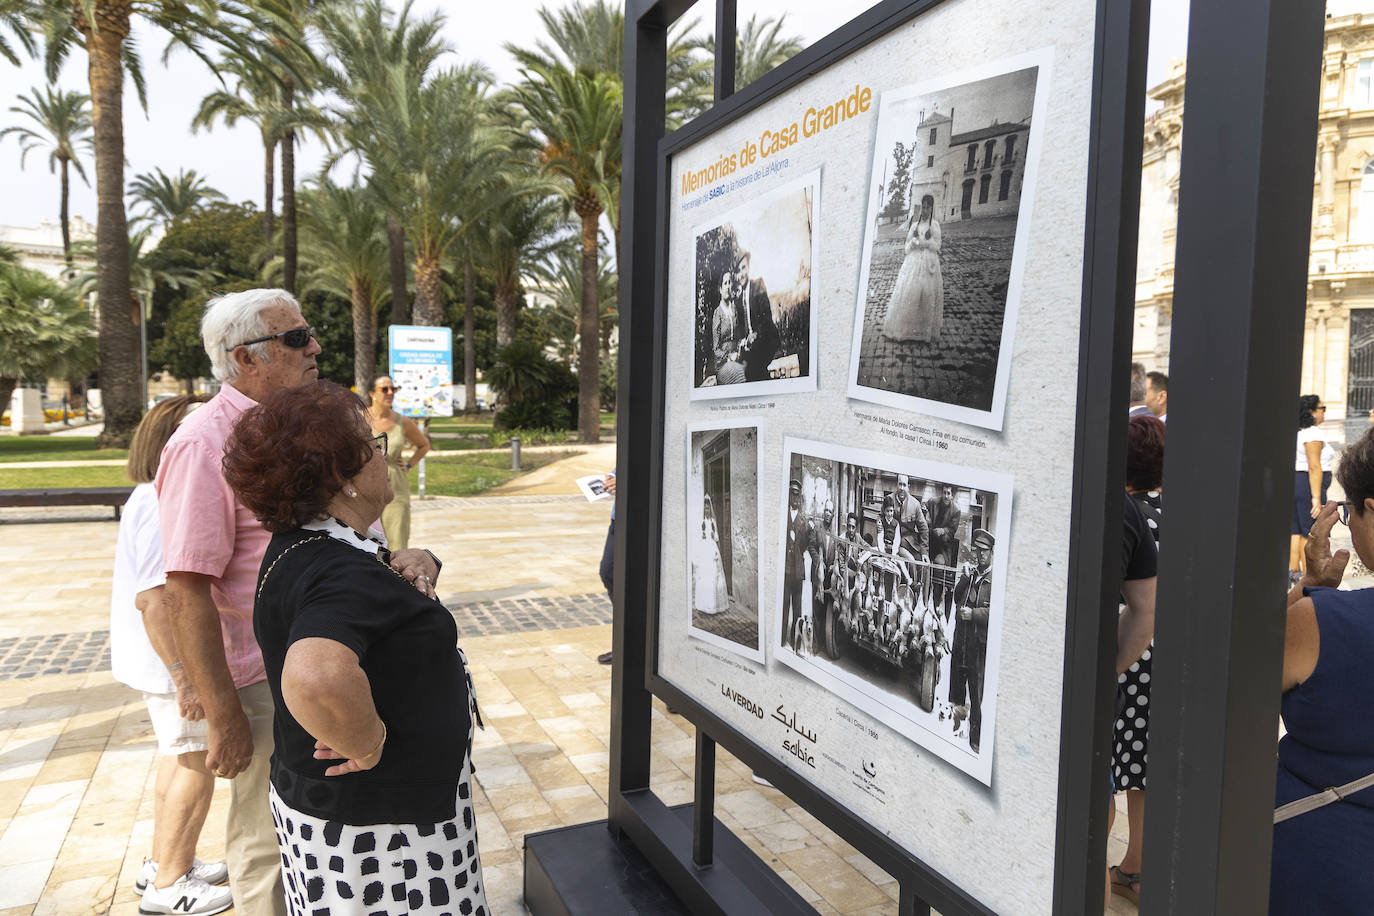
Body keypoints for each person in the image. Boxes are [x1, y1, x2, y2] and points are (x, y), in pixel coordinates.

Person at [158, 289, 441, 916]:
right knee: (267, 837)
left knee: (333, 826)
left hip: (341, 655)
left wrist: (399, 559)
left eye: (308, 333)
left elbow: (341, 534)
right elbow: (185, 589)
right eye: (294, 338)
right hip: (269, 676)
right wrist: (223, 711)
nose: (314, 346)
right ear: (244, 357)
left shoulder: (303, 422)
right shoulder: (203, 443)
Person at [222, 382, 486, 915]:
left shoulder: (305, 543)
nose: (383, 457)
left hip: (343, 814)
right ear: (342, 476)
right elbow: (316, 674)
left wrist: (422, 560)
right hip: (387, 836)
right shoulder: (341, 570)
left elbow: (363, 606)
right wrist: (367, 743)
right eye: (373, 446)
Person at [110, 394, 232, 916]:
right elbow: (156, 600)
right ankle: (170, 882)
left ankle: (163, 861)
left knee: (178, 758)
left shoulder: (148, 494)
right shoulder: (163, 500)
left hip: (160, 661)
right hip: (171, 661)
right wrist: (187, 677)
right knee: (195, 766)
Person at [1271, 432, 1374, 914]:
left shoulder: (1323, 622)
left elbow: (1231, 679)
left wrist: (1308, 585)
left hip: (1321, 861)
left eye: (1350, 513)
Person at [1108, 414, 1166, 907]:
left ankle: (1093, 874)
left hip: (1127, 657)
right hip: (1165, 660)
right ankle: (1137, 868)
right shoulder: (1174, 516)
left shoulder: (1120, 514)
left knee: (1106, 767)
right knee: (1143, 766)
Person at [366, 374, 431, 551]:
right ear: (372, 393)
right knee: (367, 544)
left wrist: (409, 465)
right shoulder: (360, 418)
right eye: (384, 389)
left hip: (396, 489)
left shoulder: (403, 422)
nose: (390, 393)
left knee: (397, 543)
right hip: (365, 488)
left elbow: (424, 445)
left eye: (393, 389)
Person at [949, 529, 994, 753]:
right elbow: (956, 597)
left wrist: (973, 614)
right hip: (962, 643)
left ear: (991, 552)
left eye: (984, 551)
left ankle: (975, 742)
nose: (980, 555)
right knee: (957, 692)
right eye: (977, 550)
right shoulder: (972, 573)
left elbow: (994, 613)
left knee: (976, 696)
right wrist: (965, 578)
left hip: (978, 647)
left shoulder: (993, 580)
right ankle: (955, 733)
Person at [883, 194, 944, 342]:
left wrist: (927, 243)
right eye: (923, 207)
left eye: (928, 208)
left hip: (928, 262)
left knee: (926, 293)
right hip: (914, 261)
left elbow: (938, 245)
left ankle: (923, 331)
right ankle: (906, 330)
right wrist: (913, 242)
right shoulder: (915, 225)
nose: (925, 210)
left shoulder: (934, 225)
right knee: (911, 291)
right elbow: (906, 247)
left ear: (931, 208)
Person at [1291, 395, 1334, 580]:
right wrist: (1315, 498)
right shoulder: (1313, 433)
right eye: (1322, 408)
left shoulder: (1299, 432)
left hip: (1298, 482)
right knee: (1311, 532)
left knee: (1296, 530)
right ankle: (1308, 575)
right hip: (1309, 485)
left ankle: (1294, 572)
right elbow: (1314, 466)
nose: (1324, 412)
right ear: (1311, 412)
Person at [734, 253, 782, 382]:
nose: (741, 274)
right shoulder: (739, 300)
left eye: (743, 268)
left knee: (753, 372)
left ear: (748, 268)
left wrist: (755, 335)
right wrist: (742, 341)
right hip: (751, 348)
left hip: (766, 341)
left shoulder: (758, 285)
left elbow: (766, 319)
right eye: (738, 271)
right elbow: (741, 329)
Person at [782, 478, 810, 651]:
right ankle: (780, 639)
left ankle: (795, 642)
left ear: (800, 497)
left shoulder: (803, 520)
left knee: (797, 608)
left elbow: (805, 545)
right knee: (784, 605)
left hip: (798, 571)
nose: (794, 498)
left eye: (797, 495)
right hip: (785, 570)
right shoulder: (783, 516)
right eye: (792, 494)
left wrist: (797, 544)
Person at [928, 485, 963, 622]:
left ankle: (937, 606)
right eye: (944, 493)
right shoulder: (933, 502)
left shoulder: (956, 510)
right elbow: (925, 509)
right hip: (929, 542)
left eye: (949, 493)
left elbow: (952, 532)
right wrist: (928, 521)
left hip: (944, 547)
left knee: (938, 572)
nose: (946, 496)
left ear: (952, 495)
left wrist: (942, 531)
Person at [691, 494, 728, 615]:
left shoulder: (712, 521)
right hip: (704, 549)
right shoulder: (701, 522)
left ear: (710, 509)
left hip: (711, 548)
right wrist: (701, 537)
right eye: (705, 509)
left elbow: (716, 537)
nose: (706, 510)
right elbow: (697, 537)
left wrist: (713, 535)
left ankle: (714, 605)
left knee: (713, 575)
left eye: (708, 508)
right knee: (704, 575)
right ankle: (704, 604)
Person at [711, 271, 747, 386]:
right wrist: (729, 356)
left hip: (737, 358)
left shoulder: (735, 310)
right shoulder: (717, 313)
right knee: (740, 373)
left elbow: (739, 337)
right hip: (722, 364)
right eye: (725, 283)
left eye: (729, 282)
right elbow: (716, 349)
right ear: (720, 289)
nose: (727, 286)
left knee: (752, 369)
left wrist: (741, 345)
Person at [597, 470, 617, 665]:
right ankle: (624, 641)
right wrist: (612, 477)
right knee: (608, 572)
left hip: (638, 518)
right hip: (617, 519)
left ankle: (629, 644)